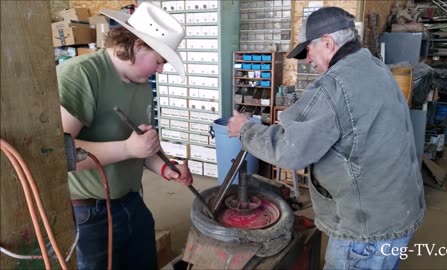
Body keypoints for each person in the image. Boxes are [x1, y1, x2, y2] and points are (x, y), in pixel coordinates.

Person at [228, 6, 425, 270]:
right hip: (398, 212)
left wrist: (245, 130)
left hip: (364, 229)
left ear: (328, 43)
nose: (308, 59)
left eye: (308, 50)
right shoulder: (375, 67)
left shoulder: (334, 85)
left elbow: (290, 150)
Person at [57, 3, 193, 269]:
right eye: (159, 60)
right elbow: (59, 154)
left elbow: (143, 150)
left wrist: (167, 169)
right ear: (137, 45)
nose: (161, 69)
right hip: (89, 213)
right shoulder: (81, 74)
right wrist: (128, 149)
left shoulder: (141, 85)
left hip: (131, 201)